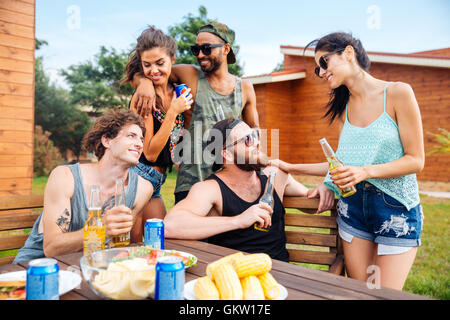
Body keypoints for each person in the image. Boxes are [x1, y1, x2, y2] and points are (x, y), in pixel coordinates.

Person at [271, 32, 425, 290]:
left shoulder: (398, 93)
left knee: (382, 294)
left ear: (349, 53)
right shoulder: (344, 108)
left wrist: (364, 171)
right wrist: (316, 178)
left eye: (324, 63)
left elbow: (416, 160)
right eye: (317, 68)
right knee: (360, 291)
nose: (321, 73)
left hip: (395, 208)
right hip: (352, 208)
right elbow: (341, 163)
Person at [163, 118, 335, 261]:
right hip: (237, 278)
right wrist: (238, 220)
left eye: (255, 135)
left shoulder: (275, 176)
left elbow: (310, 200)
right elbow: (170, 226)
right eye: (247, 140)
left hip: (282, 275)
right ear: (227, 154)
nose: (257, 142)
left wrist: (324, 186)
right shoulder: (210, 189)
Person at [129, 21, 259, 204]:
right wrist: (144, 83)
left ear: (226, 49)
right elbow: (154, 71)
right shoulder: (188, 74)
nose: (200, 55)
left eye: (206, 49)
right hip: (190, 183)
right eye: (195, 49)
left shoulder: (245, 89)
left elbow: (254, 135)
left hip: (229, 184)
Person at [14, 110, 153, 263]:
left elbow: (121, 243)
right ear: (107, 141)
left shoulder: (143, 189)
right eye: (131, 136)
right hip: (36, 267)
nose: (139, 144)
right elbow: (51, 247)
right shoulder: (65, 177)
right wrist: (100, 231)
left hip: (91, 268)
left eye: (141, 139)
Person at [123, 26, 193, 233]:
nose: (154, 71)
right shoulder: (144, 98)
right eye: (147, 65)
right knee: (131, 249)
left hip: (155, 182)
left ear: (172, 58)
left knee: (159, 243)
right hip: (137, 176)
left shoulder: (177, 92)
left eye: (160, 63)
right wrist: (173, 112)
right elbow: (151, 153)